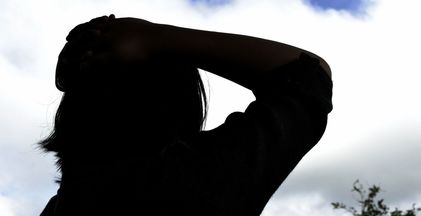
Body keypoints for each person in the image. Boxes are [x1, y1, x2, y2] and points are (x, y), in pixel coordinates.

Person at [39, 15, 333, 216]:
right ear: (181, 100)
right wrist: (153, 37)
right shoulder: (197, 179)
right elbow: (308, 78)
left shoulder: (64, 205)